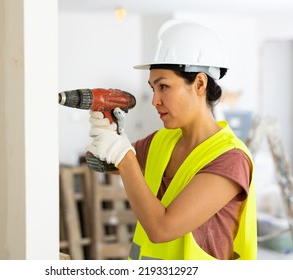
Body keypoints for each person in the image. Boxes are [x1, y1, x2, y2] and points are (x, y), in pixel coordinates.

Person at [87, 19, 257, 260]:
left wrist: (123, 155)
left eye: (163, 86)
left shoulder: (230, 159)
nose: (154, 100)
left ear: (199, 83)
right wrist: (104, 135)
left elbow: (161, 229)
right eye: (152, 88)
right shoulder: (162, 141)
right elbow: (101, 163)